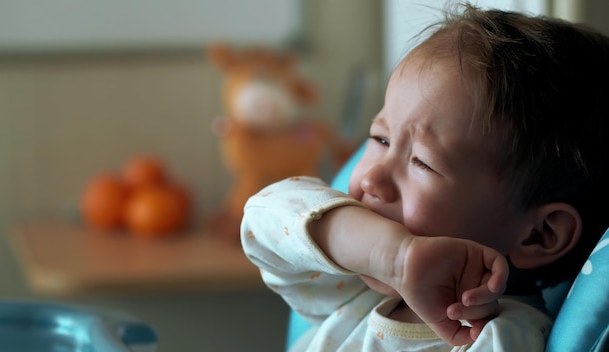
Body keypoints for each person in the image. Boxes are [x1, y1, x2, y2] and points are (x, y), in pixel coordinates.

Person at [241, 2, 609, 351]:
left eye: (422, 163)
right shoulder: (353, 285)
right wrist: (393, 256)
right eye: (380, 139)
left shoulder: (501, 338)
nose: (372, 180)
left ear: (538, 235)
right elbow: (263, 218)